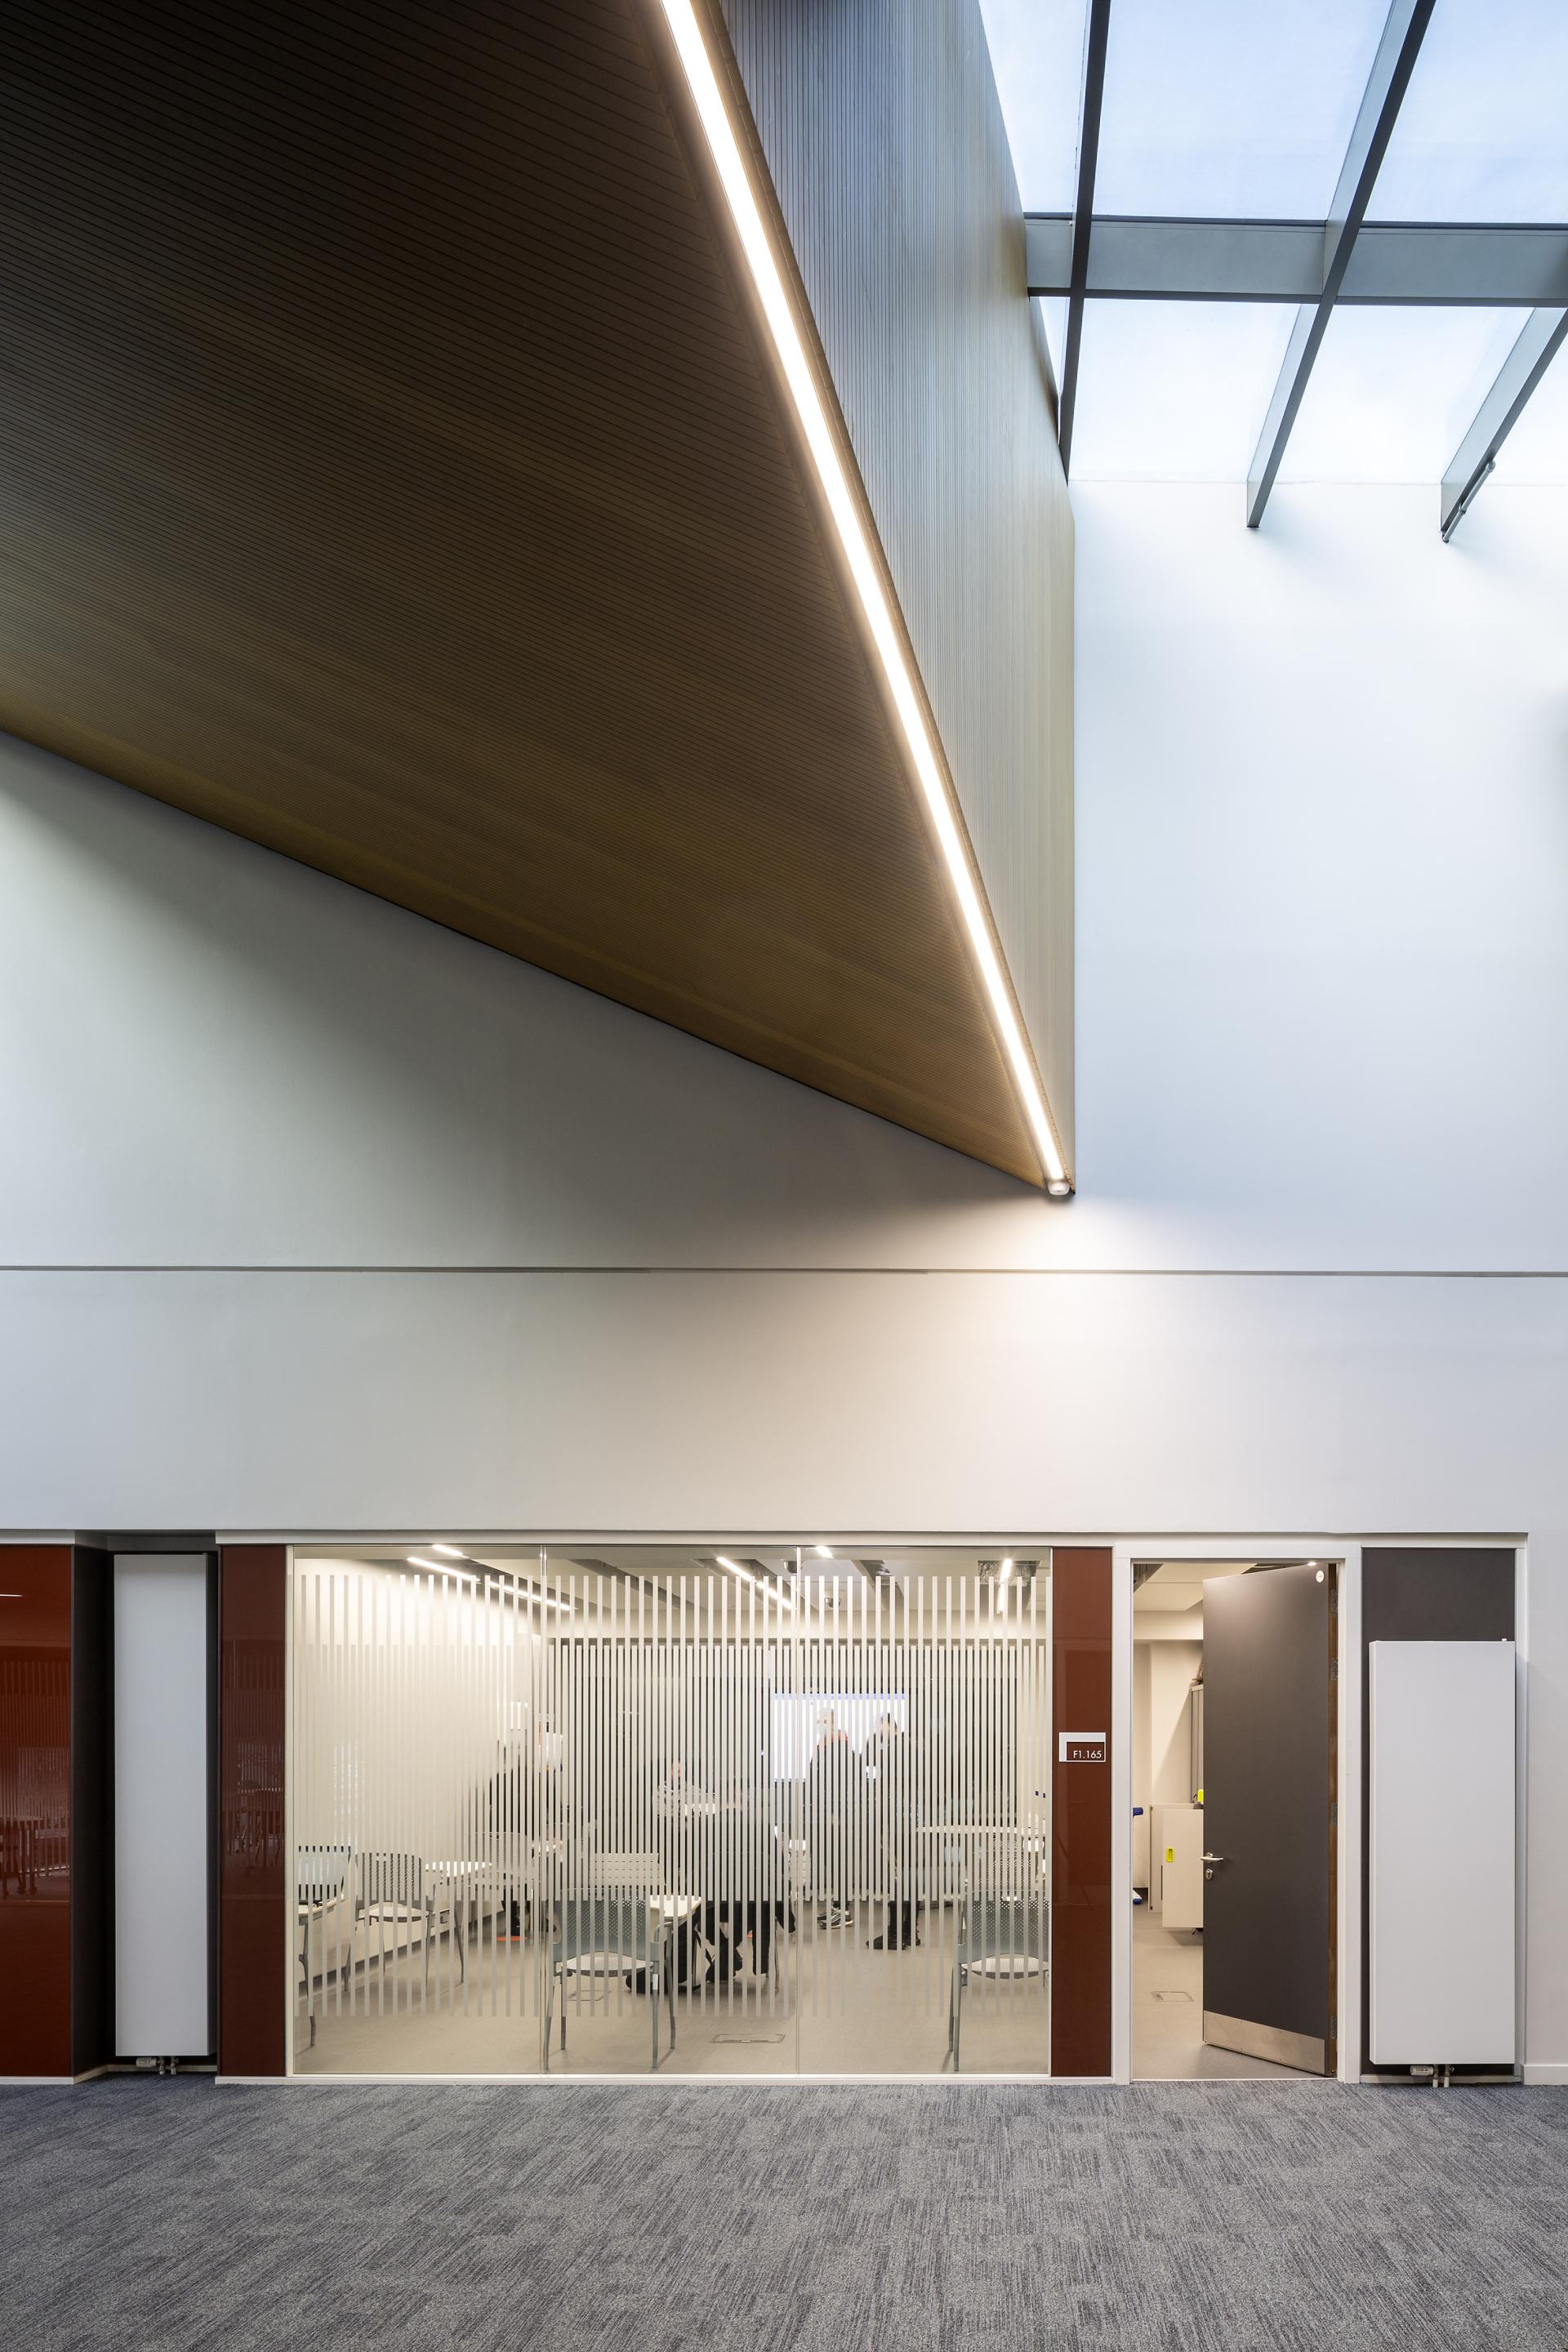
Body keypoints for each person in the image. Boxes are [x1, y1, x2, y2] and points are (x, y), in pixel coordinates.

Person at [865, 1712, 918, 1949]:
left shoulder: (897, 1749)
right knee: (910, 1875)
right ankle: (908, 1932)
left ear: (889, 1725)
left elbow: (867, 1760)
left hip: (899, 1820)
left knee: (899, 1876)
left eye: (879, 1727)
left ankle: (896, 1934)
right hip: (911, 1820)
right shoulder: (910, 1746)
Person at [805, 1712, 857, 1927]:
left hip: (837, 1815)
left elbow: (841, 1783)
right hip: (823, 1813)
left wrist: (837, 1813)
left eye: (824, 1721)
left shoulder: (840, 1748)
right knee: (830, 1861)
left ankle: (844, 1912)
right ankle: (837, 1906)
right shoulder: (823, 1746)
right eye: (819, 1721)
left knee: (839, 1861)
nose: (820, 1725)